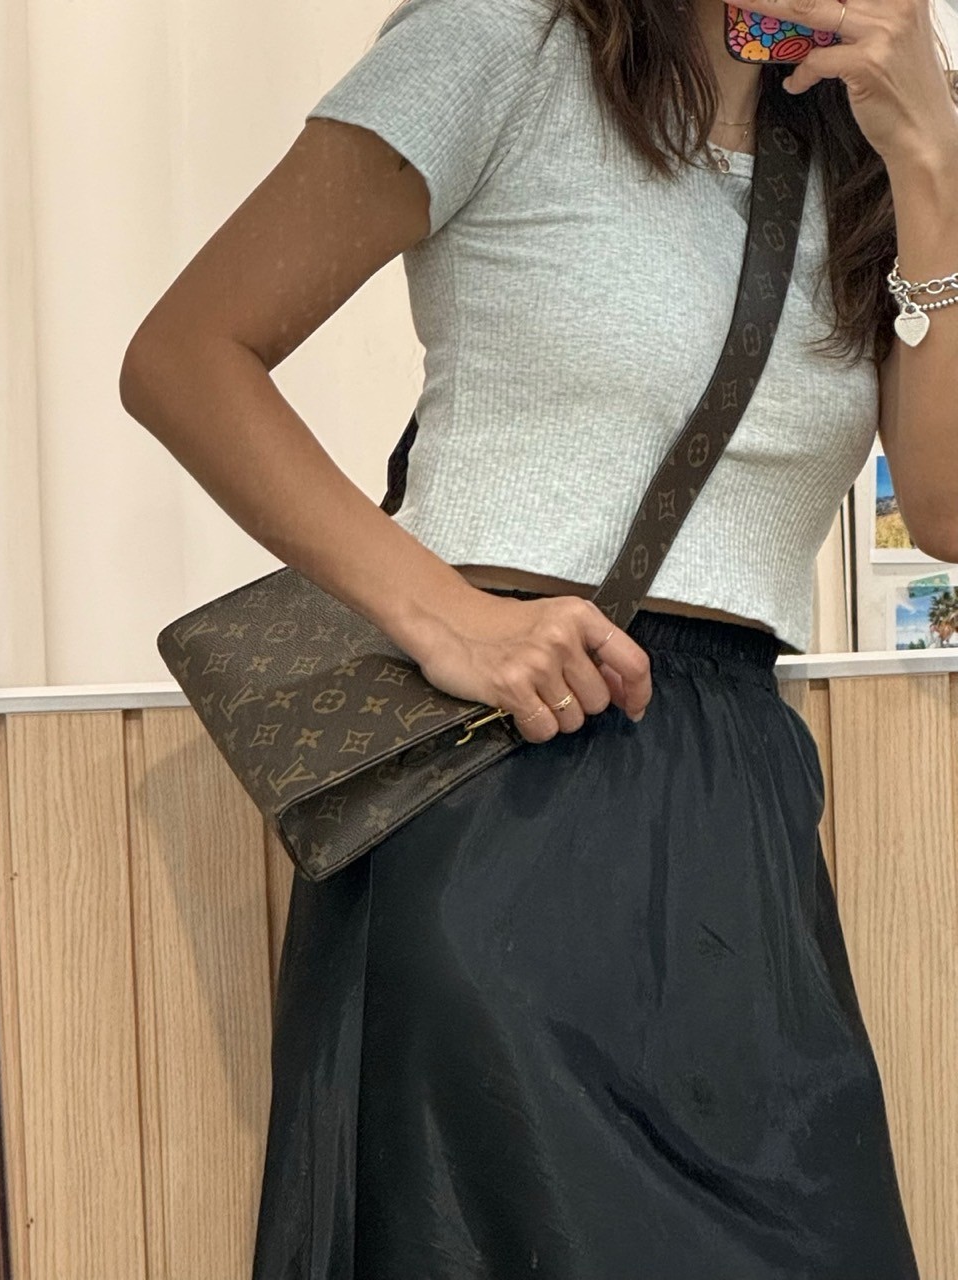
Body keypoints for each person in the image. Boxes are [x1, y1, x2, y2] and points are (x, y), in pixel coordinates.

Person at [120, 0, 958, 1273]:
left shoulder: (866, 137)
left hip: (737, 801)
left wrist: (928, 163)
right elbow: (185, 354)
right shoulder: (500, 44)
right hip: (501, 784)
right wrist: (440, 613)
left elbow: (942, 508)